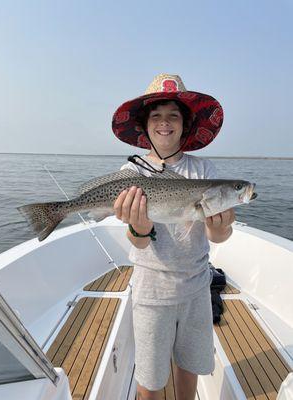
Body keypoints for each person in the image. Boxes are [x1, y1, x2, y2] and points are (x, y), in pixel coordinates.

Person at [112, 73, 235, 400]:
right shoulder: (132, 174)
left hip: (196, 288)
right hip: (152, 291)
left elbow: (217, 237)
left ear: (185, 124)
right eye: (156, 116)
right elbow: (138, 242)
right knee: (150, 381)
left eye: (173, 116)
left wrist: (221, 226)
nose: (164, 123)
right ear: (145, 124)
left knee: (189, 368)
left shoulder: (204, 172)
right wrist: (139, 226)